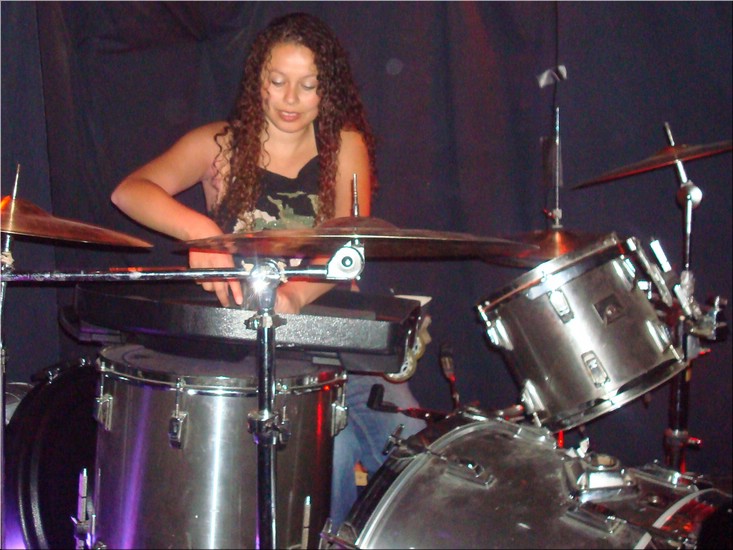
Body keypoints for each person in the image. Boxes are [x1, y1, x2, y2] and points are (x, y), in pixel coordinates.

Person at [111, 12, 425, 530]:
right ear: (257, 79)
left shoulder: (344, 145)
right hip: (247, 343)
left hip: (330, 333)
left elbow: (349, 244)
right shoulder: (220, 145)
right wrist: (198, 232)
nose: (290, 98)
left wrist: (295, 295)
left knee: (415, 449)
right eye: (278, 81)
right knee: (329, 454)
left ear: (328, 89)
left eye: (308, 85)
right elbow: (129, 191)